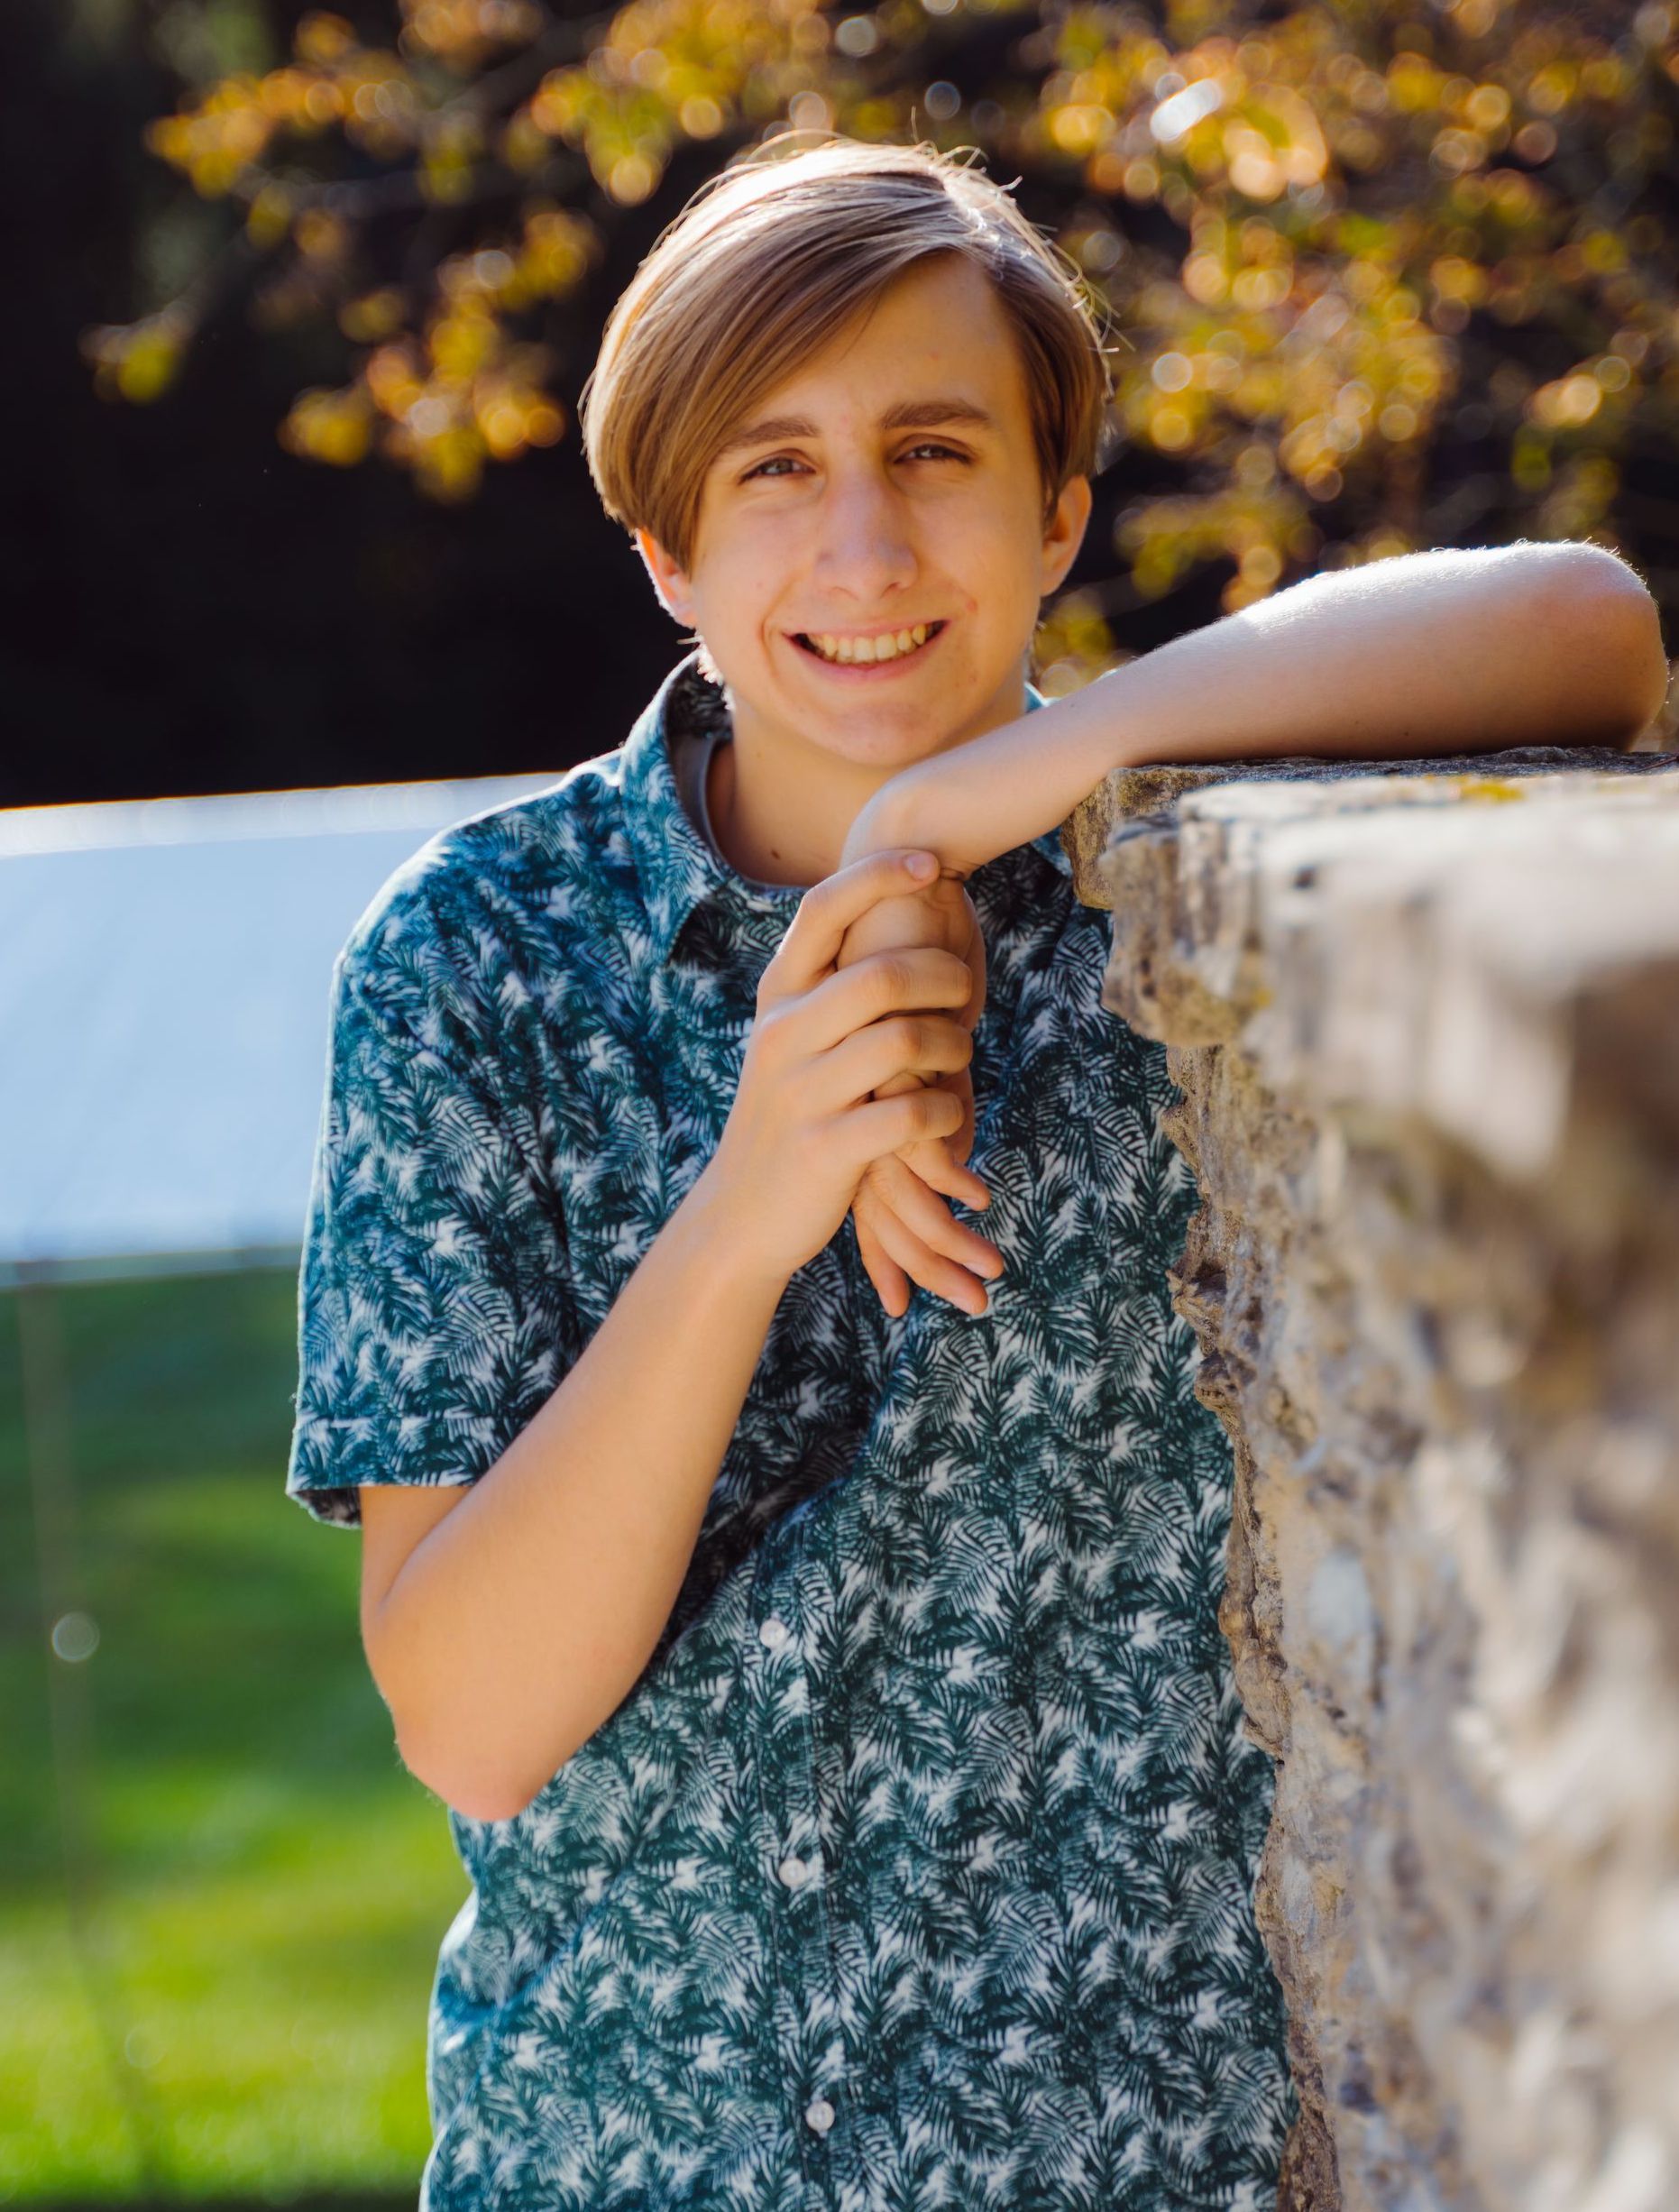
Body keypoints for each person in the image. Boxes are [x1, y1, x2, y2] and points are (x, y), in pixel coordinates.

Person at [284, 132, 1666, 2211]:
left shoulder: (1157, 877)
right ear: (665, 552)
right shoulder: (475, 956)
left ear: (1057, 516)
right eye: (774, 468)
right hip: (630, 2155)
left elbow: (1585, 623)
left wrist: (965, 799)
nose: (863, 549)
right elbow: (470, 1725)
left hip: (1145, 2160)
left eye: (934, 452)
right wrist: (748, 1215)